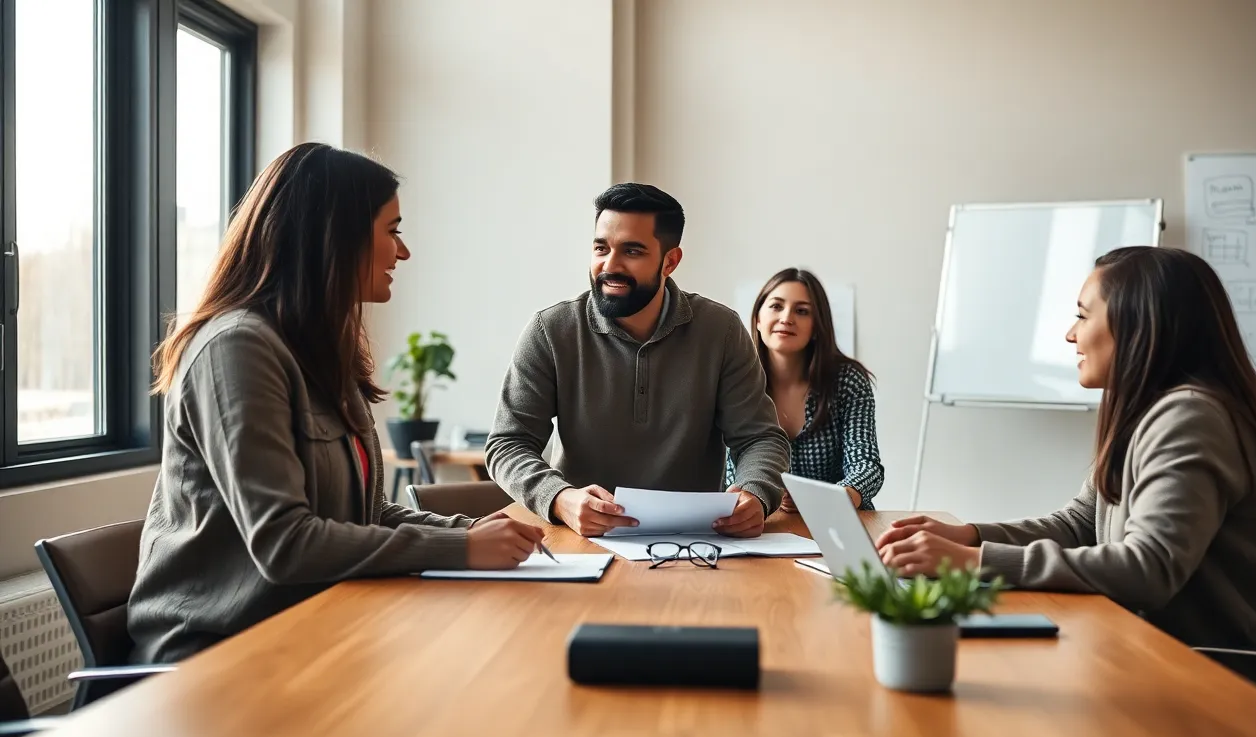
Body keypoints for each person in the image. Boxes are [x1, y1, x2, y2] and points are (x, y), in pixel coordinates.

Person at [128, 143, 544, 664]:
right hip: (215, 658)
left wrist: (470, 532)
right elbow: (285, 543)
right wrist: (461, 549)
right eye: (392, 230)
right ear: (334, 237)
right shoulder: (236, 349)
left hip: (316, 627)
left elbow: (366, 515)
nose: (404, 251)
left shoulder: (322, 349)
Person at [875, 245, 1256, 703]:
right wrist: (967, 535)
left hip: (1239, 685)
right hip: (1167, 656)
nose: (1071, 335)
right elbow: (1079, 524)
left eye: (1083, 316)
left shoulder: (1191, 417)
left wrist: (972, 562)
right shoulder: (1146, 411)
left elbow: (1149, 567)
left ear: (1137, 324)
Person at [486, 182, 791, 537]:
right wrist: (559, 497)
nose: (609, 265)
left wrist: (755, 492)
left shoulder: (721, 330)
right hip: (581, 539)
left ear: (670, 262)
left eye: (632, 251)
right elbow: (507, 444)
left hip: (696, 541)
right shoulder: (550, 331)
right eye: (601, 247)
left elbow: (760, 438)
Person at [726, 268, 883, 512]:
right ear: (758, 317)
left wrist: (830, 498)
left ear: (817, 326)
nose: (787, 318)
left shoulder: (848, 381)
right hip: (761, 524)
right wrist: (760, 497)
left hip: (838, 521)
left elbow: (866, 465)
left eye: (802, 311)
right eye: (776, 306)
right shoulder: (735, 381)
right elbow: (729, 473)